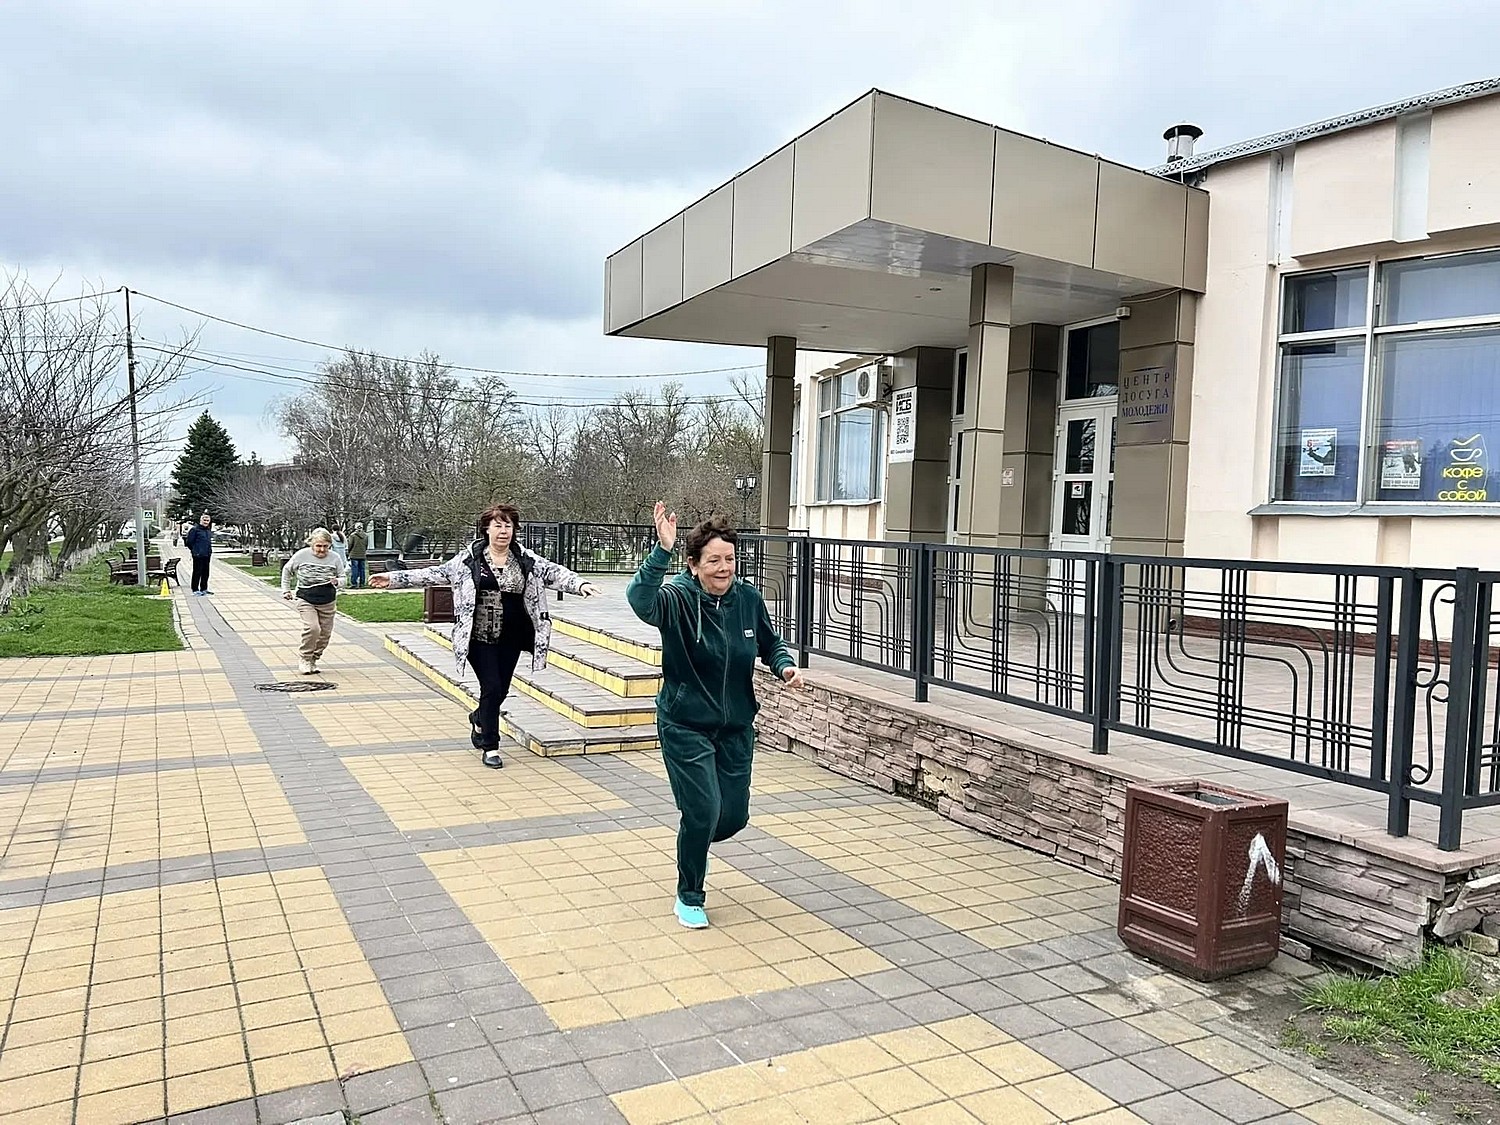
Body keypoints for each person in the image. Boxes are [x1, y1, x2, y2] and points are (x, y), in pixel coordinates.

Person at [627, 502, 805, 930]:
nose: (724, 568)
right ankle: (689, 894)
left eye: (730, 559)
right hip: (685, 724)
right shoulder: (677, 599)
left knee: (733, 817)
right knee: (703, 811)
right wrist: (661, 550)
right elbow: (640, 600)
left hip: (736, 726)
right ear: (694, 565)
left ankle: (696, 833)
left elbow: (770, 642)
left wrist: (784, 666)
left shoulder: (747, 598)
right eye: (713, 561)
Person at [371, 504, 598, 768]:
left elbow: (554, 572)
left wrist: (580, 584)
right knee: (491, 687)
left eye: (508, 526)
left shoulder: (525, 559)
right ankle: (490, 745)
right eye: (498, 525)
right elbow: (434, 574)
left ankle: (479, 718)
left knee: (501, 689)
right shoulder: (468, 560)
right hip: (479, 636)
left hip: (512, 636)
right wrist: (393, 579)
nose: (503, 531)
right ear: (486, 529)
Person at [281, 527, 349, 675]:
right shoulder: (302, 555)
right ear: (311, 544)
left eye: (325, 546)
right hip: (306, 598)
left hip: (327, 600)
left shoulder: (335, 558)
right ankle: (305, 658)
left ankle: (314, 658)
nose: (322, 550)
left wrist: (337, 581)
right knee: (313, 628)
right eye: (318, 546)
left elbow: (343, 578)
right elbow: (287, 570)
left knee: (324, 634)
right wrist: (286, 590)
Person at [184, 512, 215, 596]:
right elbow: (189, 542)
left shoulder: (208, 530)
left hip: (207, 554)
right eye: (204, 520)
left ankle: (204, 589)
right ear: (201, 520)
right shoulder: (194, 530)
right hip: (198, 555)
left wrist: (209, 551)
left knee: (206, 572)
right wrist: (195, 550)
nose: (206, 522)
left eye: (207, 520)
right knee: (197, 572)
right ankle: (195, 589)